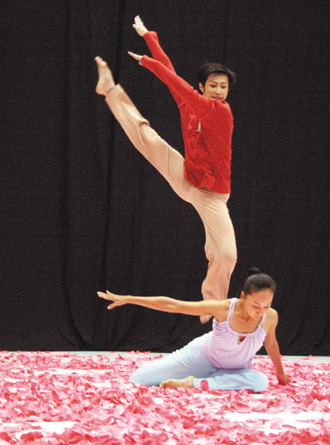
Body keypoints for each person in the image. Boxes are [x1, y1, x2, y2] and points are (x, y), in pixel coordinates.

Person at [95, 16, 237, 323]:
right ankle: (109, 90)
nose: (218, 91)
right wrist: (149, 37)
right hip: (187, 177)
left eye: (223, 87)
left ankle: (212, 306)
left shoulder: (221, 112)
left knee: (226, 254)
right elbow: (172, 74)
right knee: (148, 138)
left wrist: (148, 62)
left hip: (212, 196)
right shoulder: (191, 104)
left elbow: (177, 84)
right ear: (202, 87)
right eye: (213, 86)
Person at [97, 269, 290, 392]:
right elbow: (174, 306)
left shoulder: (270, 316)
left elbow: (271, 343)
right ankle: (212, 379)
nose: (260, 311)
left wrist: (280, 372)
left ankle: (194, 383)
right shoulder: (223, 309)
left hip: (235, 369)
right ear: (243, 297)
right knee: (139, 378)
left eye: (266, 306)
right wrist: (129, 299)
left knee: (260, 382)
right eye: (256, 305)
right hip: (201, 358)